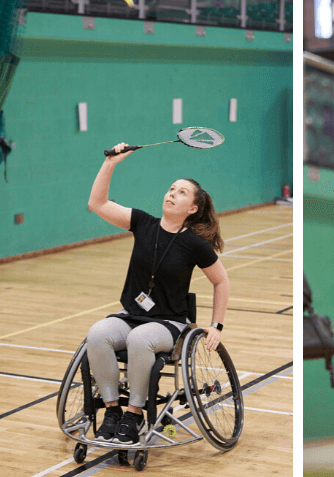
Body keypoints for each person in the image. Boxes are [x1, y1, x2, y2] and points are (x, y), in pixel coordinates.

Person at [86, 142, 229, 445]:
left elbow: (221, 282)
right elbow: (97, 204)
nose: (172, 193)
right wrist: (110, 163)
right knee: (97, 334)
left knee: (140, 340)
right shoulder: (142, 223)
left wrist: (216, 325)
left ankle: (134, 413)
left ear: (193, 208)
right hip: (131, 315)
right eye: (171, 188)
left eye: (181, 192)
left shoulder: (195, 244)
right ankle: (112, 410)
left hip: (168, 324)